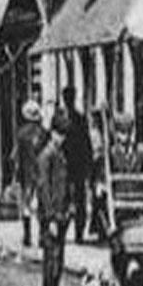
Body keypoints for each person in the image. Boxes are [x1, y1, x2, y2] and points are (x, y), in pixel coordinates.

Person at [34, 119, 71, 286]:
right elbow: (44, 190)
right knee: (51, 262)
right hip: (52, 217)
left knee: (58, 261)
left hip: (61, 214)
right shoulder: (46, 156)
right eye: (60, 135)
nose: (62, 139)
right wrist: (50, 219)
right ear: (53, 133)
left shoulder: (59, 154)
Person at [50, 88, 93, 242]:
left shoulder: (78, 118)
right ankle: (64, 231)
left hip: (76, 164)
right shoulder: (59, 118)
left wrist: (89, 163)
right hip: (64, 164)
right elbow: (53, 141)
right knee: (64, 198)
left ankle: (78, 233)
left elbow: (86, 142)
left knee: (77, 199)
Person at [14, 101, 46, 248]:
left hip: (27, 174)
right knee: (41, 205)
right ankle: (41, 237)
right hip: (42, 173)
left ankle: (27, 236)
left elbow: (19, 158)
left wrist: (17, 175)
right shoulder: (44, 133)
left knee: (26, 206)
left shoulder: (21, 134)